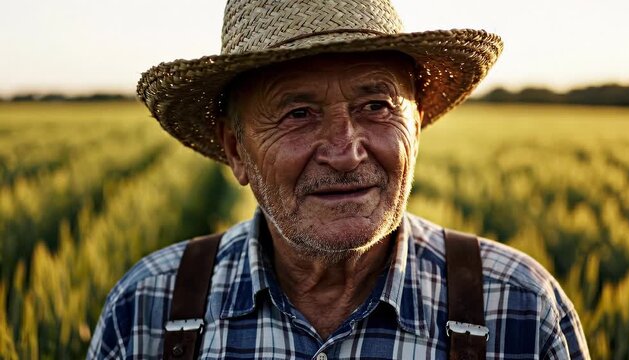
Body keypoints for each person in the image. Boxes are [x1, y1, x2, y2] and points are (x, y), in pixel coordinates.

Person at [88, 0, 590, 359]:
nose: (346, 153)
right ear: (236, 150)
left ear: (415, 126)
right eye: (298, 113)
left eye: (376, 106)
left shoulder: (520, 308)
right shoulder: (146, 310)